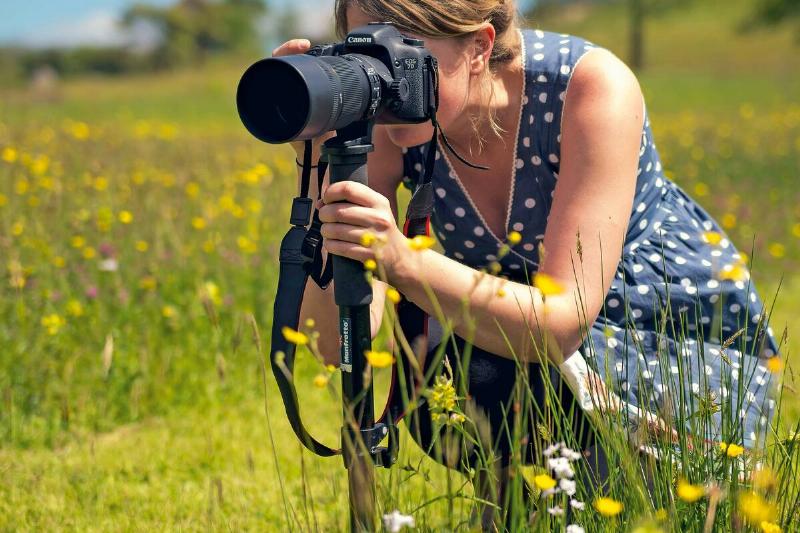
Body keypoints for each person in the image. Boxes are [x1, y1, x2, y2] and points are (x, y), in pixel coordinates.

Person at [278, 0, 781, 520]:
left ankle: (638, 495)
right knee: (466, 370)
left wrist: (401, 261)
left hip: (653, 326)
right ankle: (531, 505)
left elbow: (561, 323)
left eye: (404, 55)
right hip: (518, 326)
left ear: (479, 47)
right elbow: (331, 339)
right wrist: (316, 164)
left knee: (499, 372)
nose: (384, 81)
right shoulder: (385, 121)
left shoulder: (590, 87)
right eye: (366, 51)